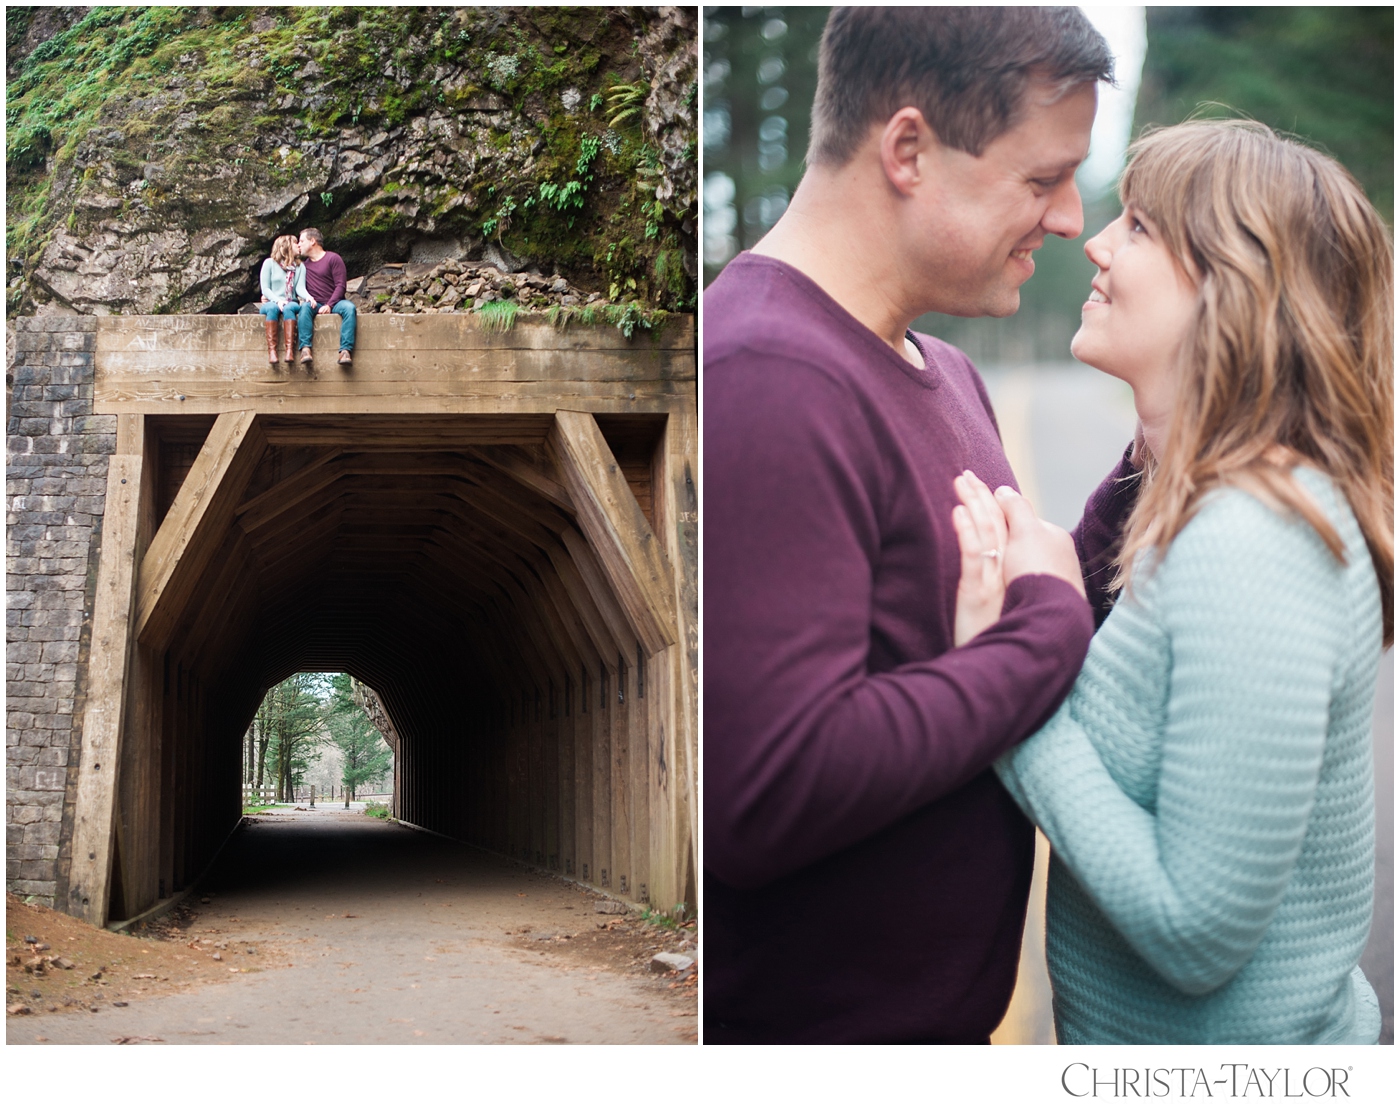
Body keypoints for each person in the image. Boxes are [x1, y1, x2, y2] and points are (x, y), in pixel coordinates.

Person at [704, 8, 1120, 1043]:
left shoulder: (942, 371)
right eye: (1039, 179)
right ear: (906, 150)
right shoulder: (766, 377)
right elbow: (761, 791)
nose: (1068, 218)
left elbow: (1020, 593)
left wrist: (1161, 458)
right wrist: (1042, 635)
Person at [952, 120, 1392, 1043]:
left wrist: (1003, 684)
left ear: (1236, 289)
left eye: (1142, 227)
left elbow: (1195, 932)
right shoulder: (1189, 503)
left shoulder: (1258, 545)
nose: (1098, 245)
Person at [295, 227, 356, 366]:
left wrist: (330, 305)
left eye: (302, 241)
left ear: (313, 241)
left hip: (336, 302)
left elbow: (341, 285)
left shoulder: (333, 258)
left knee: (350, 308)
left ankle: (345, 351)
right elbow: (294, 284)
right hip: (315, 304)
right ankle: (305, 349)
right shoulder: (303, 266)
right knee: (304, 307)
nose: (299, 245)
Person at [258, 234, 309, 365]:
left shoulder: (300, 266)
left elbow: (300, 289)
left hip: (291, 302)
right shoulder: (269, 263)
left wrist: (308, 297)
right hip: (272, 302)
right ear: (285, 246)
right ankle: (272, 351)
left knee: (289, 308)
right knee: (272, 308)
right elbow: (266, 289)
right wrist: (277, 300)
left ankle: (289, 351)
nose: (298, 245)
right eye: (295, 242)